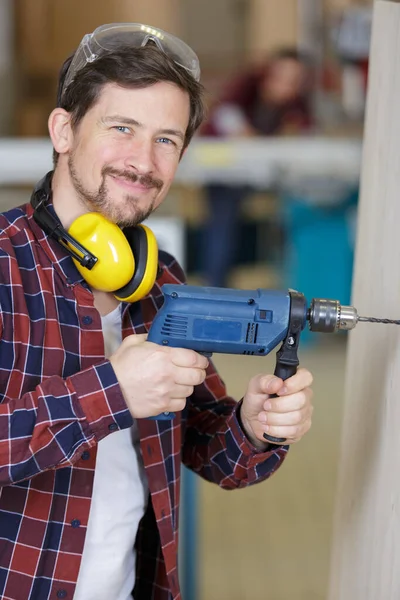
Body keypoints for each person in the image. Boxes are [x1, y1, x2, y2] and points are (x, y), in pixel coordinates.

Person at [0, 24, 314, 600]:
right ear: (64, 130)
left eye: (166, 140)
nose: (143, 161)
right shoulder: (4, 265)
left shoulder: (160, 277)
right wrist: (110, 391)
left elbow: (204, 443)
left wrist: (252, 426)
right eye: (122, 128)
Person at [201, 48, 313, 287]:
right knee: (223, 220)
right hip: (224, 172)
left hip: (264, 175)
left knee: (298, 207)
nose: (285, 86)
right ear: (268, 73)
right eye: (281, 78)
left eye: (293, 81)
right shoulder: (245, 86)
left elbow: (305, 132)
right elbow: (224, 117)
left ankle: (289, 280)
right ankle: (216, 285)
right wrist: (251, 136)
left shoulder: (296, 103)